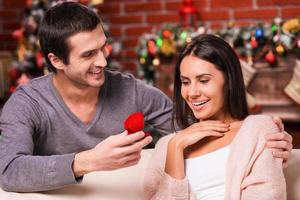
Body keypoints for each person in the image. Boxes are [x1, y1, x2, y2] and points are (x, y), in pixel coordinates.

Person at [0, 2, 292, 193]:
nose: (103, 61)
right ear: (57, 60)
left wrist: (258, 138)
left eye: (103, 47)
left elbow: (195, 128)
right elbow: (9, 170)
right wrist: (88, 161)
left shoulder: (133, 92)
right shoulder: (27, 104)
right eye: (89, 55)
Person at [143, 34, 287, 199]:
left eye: (203, 80)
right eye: (185, 82)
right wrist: (176, 147)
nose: (192, 93)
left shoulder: (259, 131)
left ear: (229, 80)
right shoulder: (167, 146)